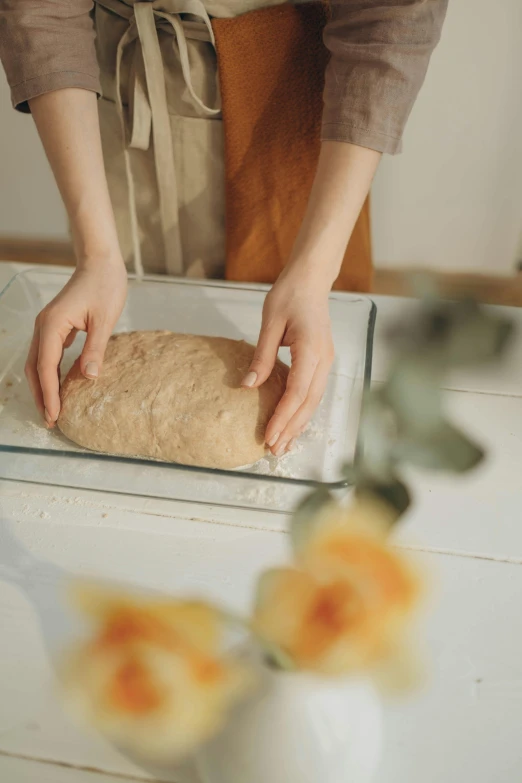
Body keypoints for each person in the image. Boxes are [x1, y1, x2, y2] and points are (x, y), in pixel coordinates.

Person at [0, 0, 447, 457]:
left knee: (299, 331)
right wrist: (96, 255)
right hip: (119, 94)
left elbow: (391, 17)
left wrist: (314, 275)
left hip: (284, 92)